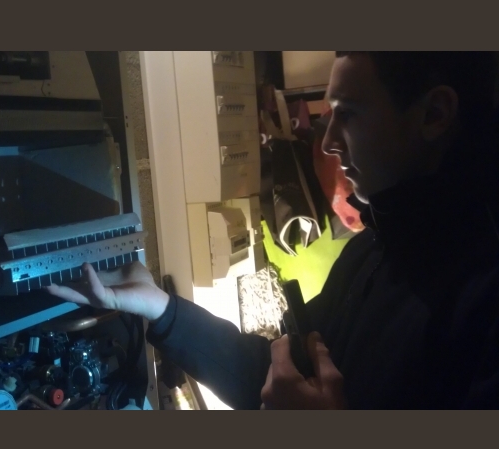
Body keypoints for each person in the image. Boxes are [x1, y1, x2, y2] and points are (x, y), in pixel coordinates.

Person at [46, 52, 499, 410]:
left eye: (348, 114)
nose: (328, 142)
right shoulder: (371, 251)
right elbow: (277, 378)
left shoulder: (483, 294)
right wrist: (161, 308)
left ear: (434, 114)